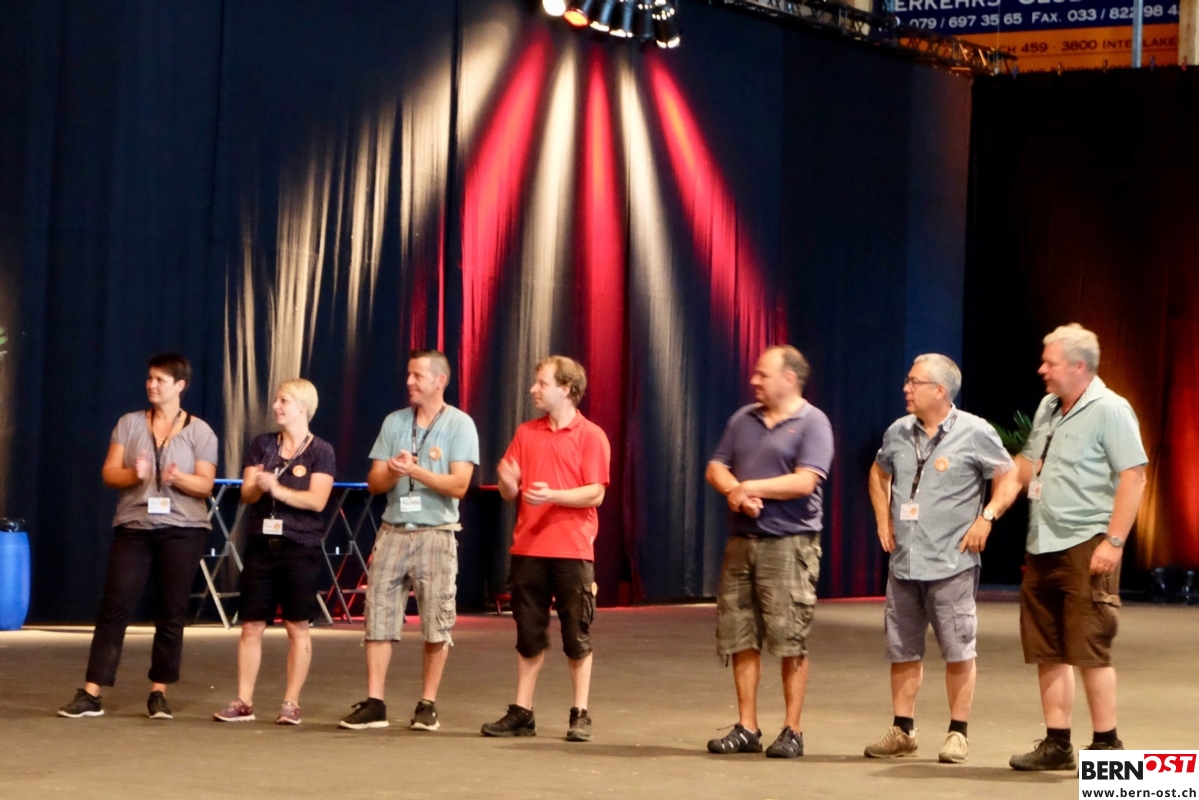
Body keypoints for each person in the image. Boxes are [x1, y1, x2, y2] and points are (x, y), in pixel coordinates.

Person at [864, 354, 1020, 763]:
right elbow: (879, 473)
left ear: (940, 390)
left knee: (958, 649)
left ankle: (957, 733)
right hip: (905, 561)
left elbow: (1009, 476)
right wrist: (883, 518)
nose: (906, 388)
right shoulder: (898, 431)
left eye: (913, 382)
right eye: (907, 381)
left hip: (952, 562)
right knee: (902, 649)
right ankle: (903, 730)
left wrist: (987, 517)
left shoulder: (975, 432)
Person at [1008, 323, 1147, 770]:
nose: (1042, 369)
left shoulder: (1111, 409)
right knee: (1046, 647)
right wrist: (993, 494)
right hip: (1042, 540)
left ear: (1078, 366)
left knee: (1090, 645)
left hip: (1087, 541)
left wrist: (1114, 541)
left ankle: (1107, 744)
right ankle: (1057, 743)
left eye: (1050, 362)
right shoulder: (1048, 407)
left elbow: (1133, 476)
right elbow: (1028, 464)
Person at [58, 353, 218, 720]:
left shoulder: (200, 431)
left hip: (184, 530)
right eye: (149, 378)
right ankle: (92, 693)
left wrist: (178, 478)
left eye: (160, 380)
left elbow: (206, 485)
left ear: (180, 386)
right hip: (134, 527)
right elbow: (109, 473)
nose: (151, 385)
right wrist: (135, 474)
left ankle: (158, 692)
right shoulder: (129, 424)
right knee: (114, 608)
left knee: (171, 611)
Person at [704, 345, 834, 759]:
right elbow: (716, 466)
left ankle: (792, 730)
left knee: (789, 637)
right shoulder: (744, 418)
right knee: (740, 633)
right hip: (743, 541)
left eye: (763, 374)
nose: (754, 380)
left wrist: (751, 487)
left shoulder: (813, 423)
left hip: (790, 544)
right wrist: (736, 493)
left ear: (789, 379)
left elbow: (805, 481)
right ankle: (747, 726)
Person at [339, 350, 479, 731]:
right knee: (378, 614)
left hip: (436, 533)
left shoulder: (460, 425)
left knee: (436, 619)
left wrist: (416, 470)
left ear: (439, 381)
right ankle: (375, 702)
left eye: (417, 375)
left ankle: (427, 704)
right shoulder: (395, 422)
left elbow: (460, 485)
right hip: (393, 530)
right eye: (408, 374)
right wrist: (393, 471)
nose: (409, 382)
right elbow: (374, 483)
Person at [481, 355, 611, 743]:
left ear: (566, 389)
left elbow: (596, 493)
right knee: (528, 632)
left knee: (576, 633)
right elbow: (510, 491)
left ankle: (580, 713)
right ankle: (523, 711)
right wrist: (507, 479)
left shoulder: (591, 435)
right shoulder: (526, 433)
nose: (533, 389)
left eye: (542, 383)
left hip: (572, 549)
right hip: (529, 547)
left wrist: (553, 495)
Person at [212, 379, 335, 725]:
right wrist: (257, 484)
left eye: (284, 401)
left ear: (303, 407)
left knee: (297, 625)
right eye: (277, 400)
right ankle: (243, 701)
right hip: (260, 546)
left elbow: (317, 501)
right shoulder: (263, 444)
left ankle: (291, 703)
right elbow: (247, 495)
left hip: (300, 547)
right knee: (251, 624)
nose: (276, 406)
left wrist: (278, 489)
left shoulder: (321, 451)